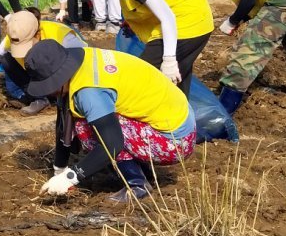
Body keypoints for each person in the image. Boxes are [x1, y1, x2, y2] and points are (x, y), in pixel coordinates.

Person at [26, 40, 196, 202]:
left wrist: (70, 177)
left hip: (175, 141)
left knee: (88, 130)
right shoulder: (82, 62)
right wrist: (60, 169)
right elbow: (64, 118)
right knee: (96, 122)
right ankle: (144, 172)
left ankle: (137, 185)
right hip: (178, 120)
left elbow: (112, 144)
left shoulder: (89, 92)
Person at [64, 0, 213, 94]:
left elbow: (167, 16)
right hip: (187, 18)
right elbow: (148, 1)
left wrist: (169, 59)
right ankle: (180, 107)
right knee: (176, 82)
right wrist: (132, 21)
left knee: (141, 78)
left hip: (187, 22)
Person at [0, 10, 87, 114]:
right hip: (43, 81)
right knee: (7, 60)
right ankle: (40, 98)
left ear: (37, 34)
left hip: (64, 83)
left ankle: (62, 96)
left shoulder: (61, 35)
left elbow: (81, 62)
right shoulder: (15, 35)